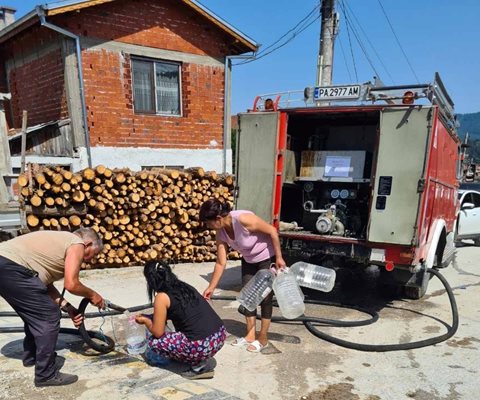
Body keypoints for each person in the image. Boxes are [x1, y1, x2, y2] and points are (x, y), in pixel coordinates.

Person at [0, 228, 105, 387]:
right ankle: (45, 375)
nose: (90, 260)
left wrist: (68, 307)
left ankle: (32, 357)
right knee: (48, 316)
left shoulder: (55, 246)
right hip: (11, 267)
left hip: (6, 265)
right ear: (88, 243)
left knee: (35, 313)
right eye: (93, 254)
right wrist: (92, 295)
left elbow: (45, 288)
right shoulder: (76, 243)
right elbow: (71, 284)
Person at [199, 199, 286, 353]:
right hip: (249, 260)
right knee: (248, 298)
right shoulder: (221, 232)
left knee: (265, 298)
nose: (208, 227)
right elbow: (220, 262)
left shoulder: (243, 219)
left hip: (267, 257)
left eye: (208, 223)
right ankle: (250, 335)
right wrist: (211, 287)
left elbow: (272, 231)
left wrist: (279, 258)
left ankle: (263, 338)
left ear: (218, 219)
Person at [135, 260, 226, 380]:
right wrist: (150, 316)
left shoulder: (162, 297)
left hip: (203, 344)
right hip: (219, 335)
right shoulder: (184, 286)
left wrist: (146, 321)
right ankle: (197, 356)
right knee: (185, 334)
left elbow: (158, 332)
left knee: (154, 342)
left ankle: (199, 368)